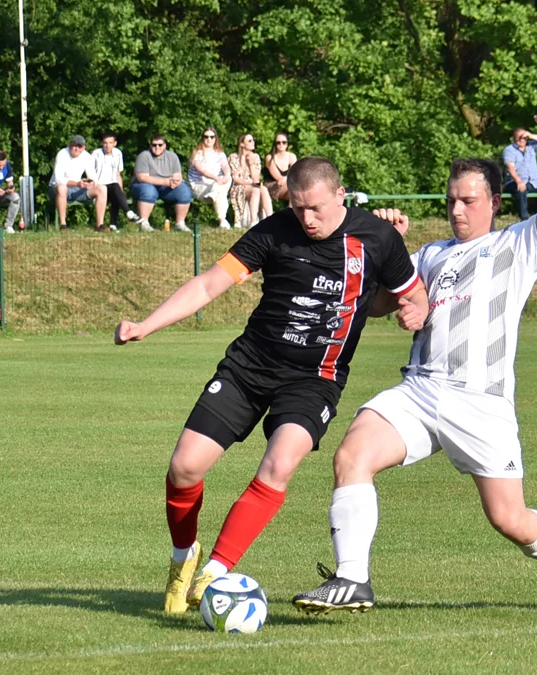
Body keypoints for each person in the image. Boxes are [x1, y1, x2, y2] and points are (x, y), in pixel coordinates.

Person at [292, 106, 537, 614]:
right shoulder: (430, 254)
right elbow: (377, 304)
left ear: (494, 202)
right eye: (451, 200)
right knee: (351, 456)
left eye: (468, 201)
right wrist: (383, 248)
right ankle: (353, 580)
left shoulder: (517, 244)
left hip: (480, 402)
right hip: (419, 390)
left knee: (509, 519)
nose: (457, 210)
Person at [113, 157, 429, 615]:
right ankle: (184, 557)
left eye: (316, 208)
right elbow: (208, 285)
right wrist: (146, 324)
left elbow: (408, 295)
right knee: (184, 468)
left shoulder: (379, 237)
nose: (307, 219)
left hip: (315, 379)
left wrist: (416, 310)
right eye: (298, 208)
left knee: (279, 463)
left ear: (340, 195)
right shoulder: (274, 231)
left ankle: (215, 572)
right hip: (250, 367)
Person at [132, 135, 193, 232]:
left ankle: (180, 223)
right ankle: (144, 223)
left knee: (184, 191)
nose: (157, 147)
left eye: (160, 145)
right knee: (148, 191)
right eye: (154, 145)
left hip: (167, 187)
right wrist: (165, 181)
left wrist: (175, 183)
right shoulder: (144, 156)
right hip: (144, 185)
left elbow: (178, 176)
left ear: (165, 145)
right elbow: (142, 178)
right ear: (150, 145)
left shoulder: (172, 156)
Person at [48, 135, 107, 231]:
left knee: (102, 189)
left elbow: (93, 177)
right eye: (74, 146)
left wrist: (90, 183)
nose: (77, 149)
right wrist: (77, 184)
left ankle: (100, 225)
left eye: (80, 146)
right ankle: (63, 225)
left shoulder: (87, 156)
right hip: (57, 189)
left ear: (84, 148)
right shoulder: (62, 154)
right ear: (70, 145)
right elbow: (59, 179)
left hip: (78, 189)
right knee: (62, 188)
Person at [92, 132, 141, 232]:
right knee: (114, 187)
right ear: (102, 143)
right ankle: (128, 213)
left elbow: (118, 174)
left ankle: (113, 224)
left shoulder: (118, 153)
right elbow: (90, 172)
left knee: (117, 190)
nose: (107, 145)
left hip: (113, 186)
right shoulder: (96, 154)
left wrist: (121, 192)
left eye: (110, 143)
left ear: (115, 143)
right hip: (99, 187)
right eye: (105, 143)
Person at [501, 127, 537, 219]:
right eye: (519, 137)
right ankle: (524, 219)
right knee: (521, 190)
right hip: (514, 181)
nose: (522, 139)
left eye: (524, 137)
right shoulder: (509, 150)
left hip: (533, 182)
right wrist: (519, 181)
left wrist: (530, 135)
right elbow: (510, 168)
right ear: (514, 138)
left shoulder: (531, 147)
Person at [188, 128, 233, 229]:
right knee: (220, 192)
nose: (209, 139)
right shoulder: (197, 153)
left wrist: (226, 175)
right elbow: (201, 170)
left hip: (216, 184)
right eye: (206, 137)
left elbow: (225, 166)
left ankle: (214, 193)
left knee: (227, 180)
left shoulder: (220, 153)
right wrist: (216, 178)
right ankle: (222, 220)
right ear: (202, 138)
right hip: (199, 184)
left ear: (215, 138)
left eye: (212, 137)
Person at [229, 134, 273, 229]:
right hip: (238, 187)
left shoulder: (255, 157)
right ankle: (253, 222)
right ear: (242, 144)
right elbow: (235, 179)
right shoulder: (234, 157)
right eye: (249, 141)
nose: (253, 142)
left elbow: (256, 180)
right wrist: (249, 183)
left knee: (263, 189)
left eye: (253, 140)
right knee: (256, 190)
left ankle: (271, 219)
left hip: (252, 186)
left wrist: (251, 164)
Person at [265, 132, 297, 205]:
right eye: (278, 143)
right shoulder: (270, 158)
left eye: (284, 142)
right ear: (275, 144)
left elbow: (295, 174)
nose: (281, 144)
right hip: (273, 186)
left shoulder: (292, 156)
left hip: (288, 186)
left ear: (287, 144)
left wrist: (286, 178)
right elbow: (279, 178)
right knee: (294, 188)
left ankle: (290, 212)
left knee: (295, 191)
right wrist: (288, 178)